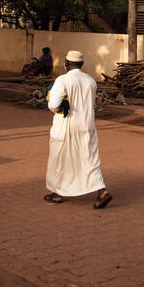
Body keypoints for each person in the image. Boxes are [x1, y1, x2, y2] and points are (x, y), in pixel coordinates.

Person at [44, 50, 112, 208]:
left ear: (66, 64)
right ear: (81, 64)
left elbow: (53, 104)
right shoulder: (90, 81)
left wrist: (61, 106)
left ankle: (58, 193)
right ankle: (101, 191)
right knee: (90, 159)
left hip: (66, 126)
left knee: (60, 158)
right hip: (87, 125)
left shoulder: (63, 80)